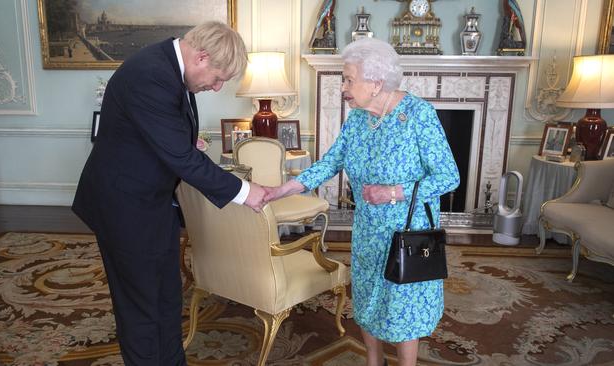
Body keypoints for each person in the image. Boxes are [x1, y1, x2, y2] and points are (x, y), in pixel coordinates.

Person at [72, 21, 267, 366]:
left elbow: (170, 141)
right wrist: (245, 192)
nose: (216, 86)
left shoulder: (170, 68)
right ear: (202, 57)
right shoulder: (151, 74)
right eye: (218, 78)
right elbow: (180, 157)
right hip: (123, 207)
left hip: (153, 201)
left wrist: (181, 141)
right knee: (140, 308)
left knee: (167, 297)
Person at [265, 37, 460, 366]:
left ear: (376, 82)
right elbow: (330, 163)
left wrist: (392, 192)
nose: (344, 87)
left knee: (401, 306)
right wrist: (281, 190)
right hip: (369, 229)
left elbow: (449, 176)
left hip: (407, 232)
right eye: (345, 78)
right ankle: (374, 361)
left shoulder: (418, 115)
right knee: (368, 298)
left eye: (349, 79)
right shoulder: (358, 119)